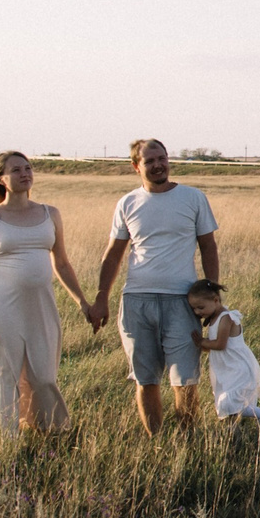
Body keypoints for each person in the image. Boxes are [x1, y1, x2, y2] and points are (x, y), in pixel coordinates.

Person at [90, 139, 220, 434]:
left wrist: (212, 294)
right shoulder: (128, 203)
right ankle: (156, 440)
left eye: (162, 158)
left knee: (184, 380)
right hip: (137, 302)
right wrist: (101, 298)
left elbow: (208, 247)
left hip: (181, 302)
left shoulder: (193, 198)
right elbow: (113, 254)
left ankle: (187, 440)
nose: (158, 165)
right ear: (136, 166)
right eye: (150, 161)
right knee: (145, 378)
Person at [0, 151, 91, 436]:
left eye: (28, 168)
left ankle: (53, 434)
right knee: (4, 376)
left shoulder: (50, 213)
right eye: (16, 169)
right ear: (1, 179)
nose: (25, 173)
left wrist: (82, 302)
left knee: (44, 376)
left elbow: (62, 262)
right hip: (0, 305)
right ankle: (8, 443)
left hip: (41, 305)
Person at [188, 279, 260, 429]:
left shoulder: (226, 318)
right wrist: (203, 345)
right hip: (225, 368)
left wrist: (201, 342)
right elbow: (212, 347)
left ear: (216, 300)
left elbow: (220, 345)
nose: (198, 312)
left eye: (200, 307)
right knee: (227, 404)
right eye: (194, 309)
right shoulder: (213, 319)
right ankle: (232, 433)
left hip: (237, 367)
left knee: (231, 403)